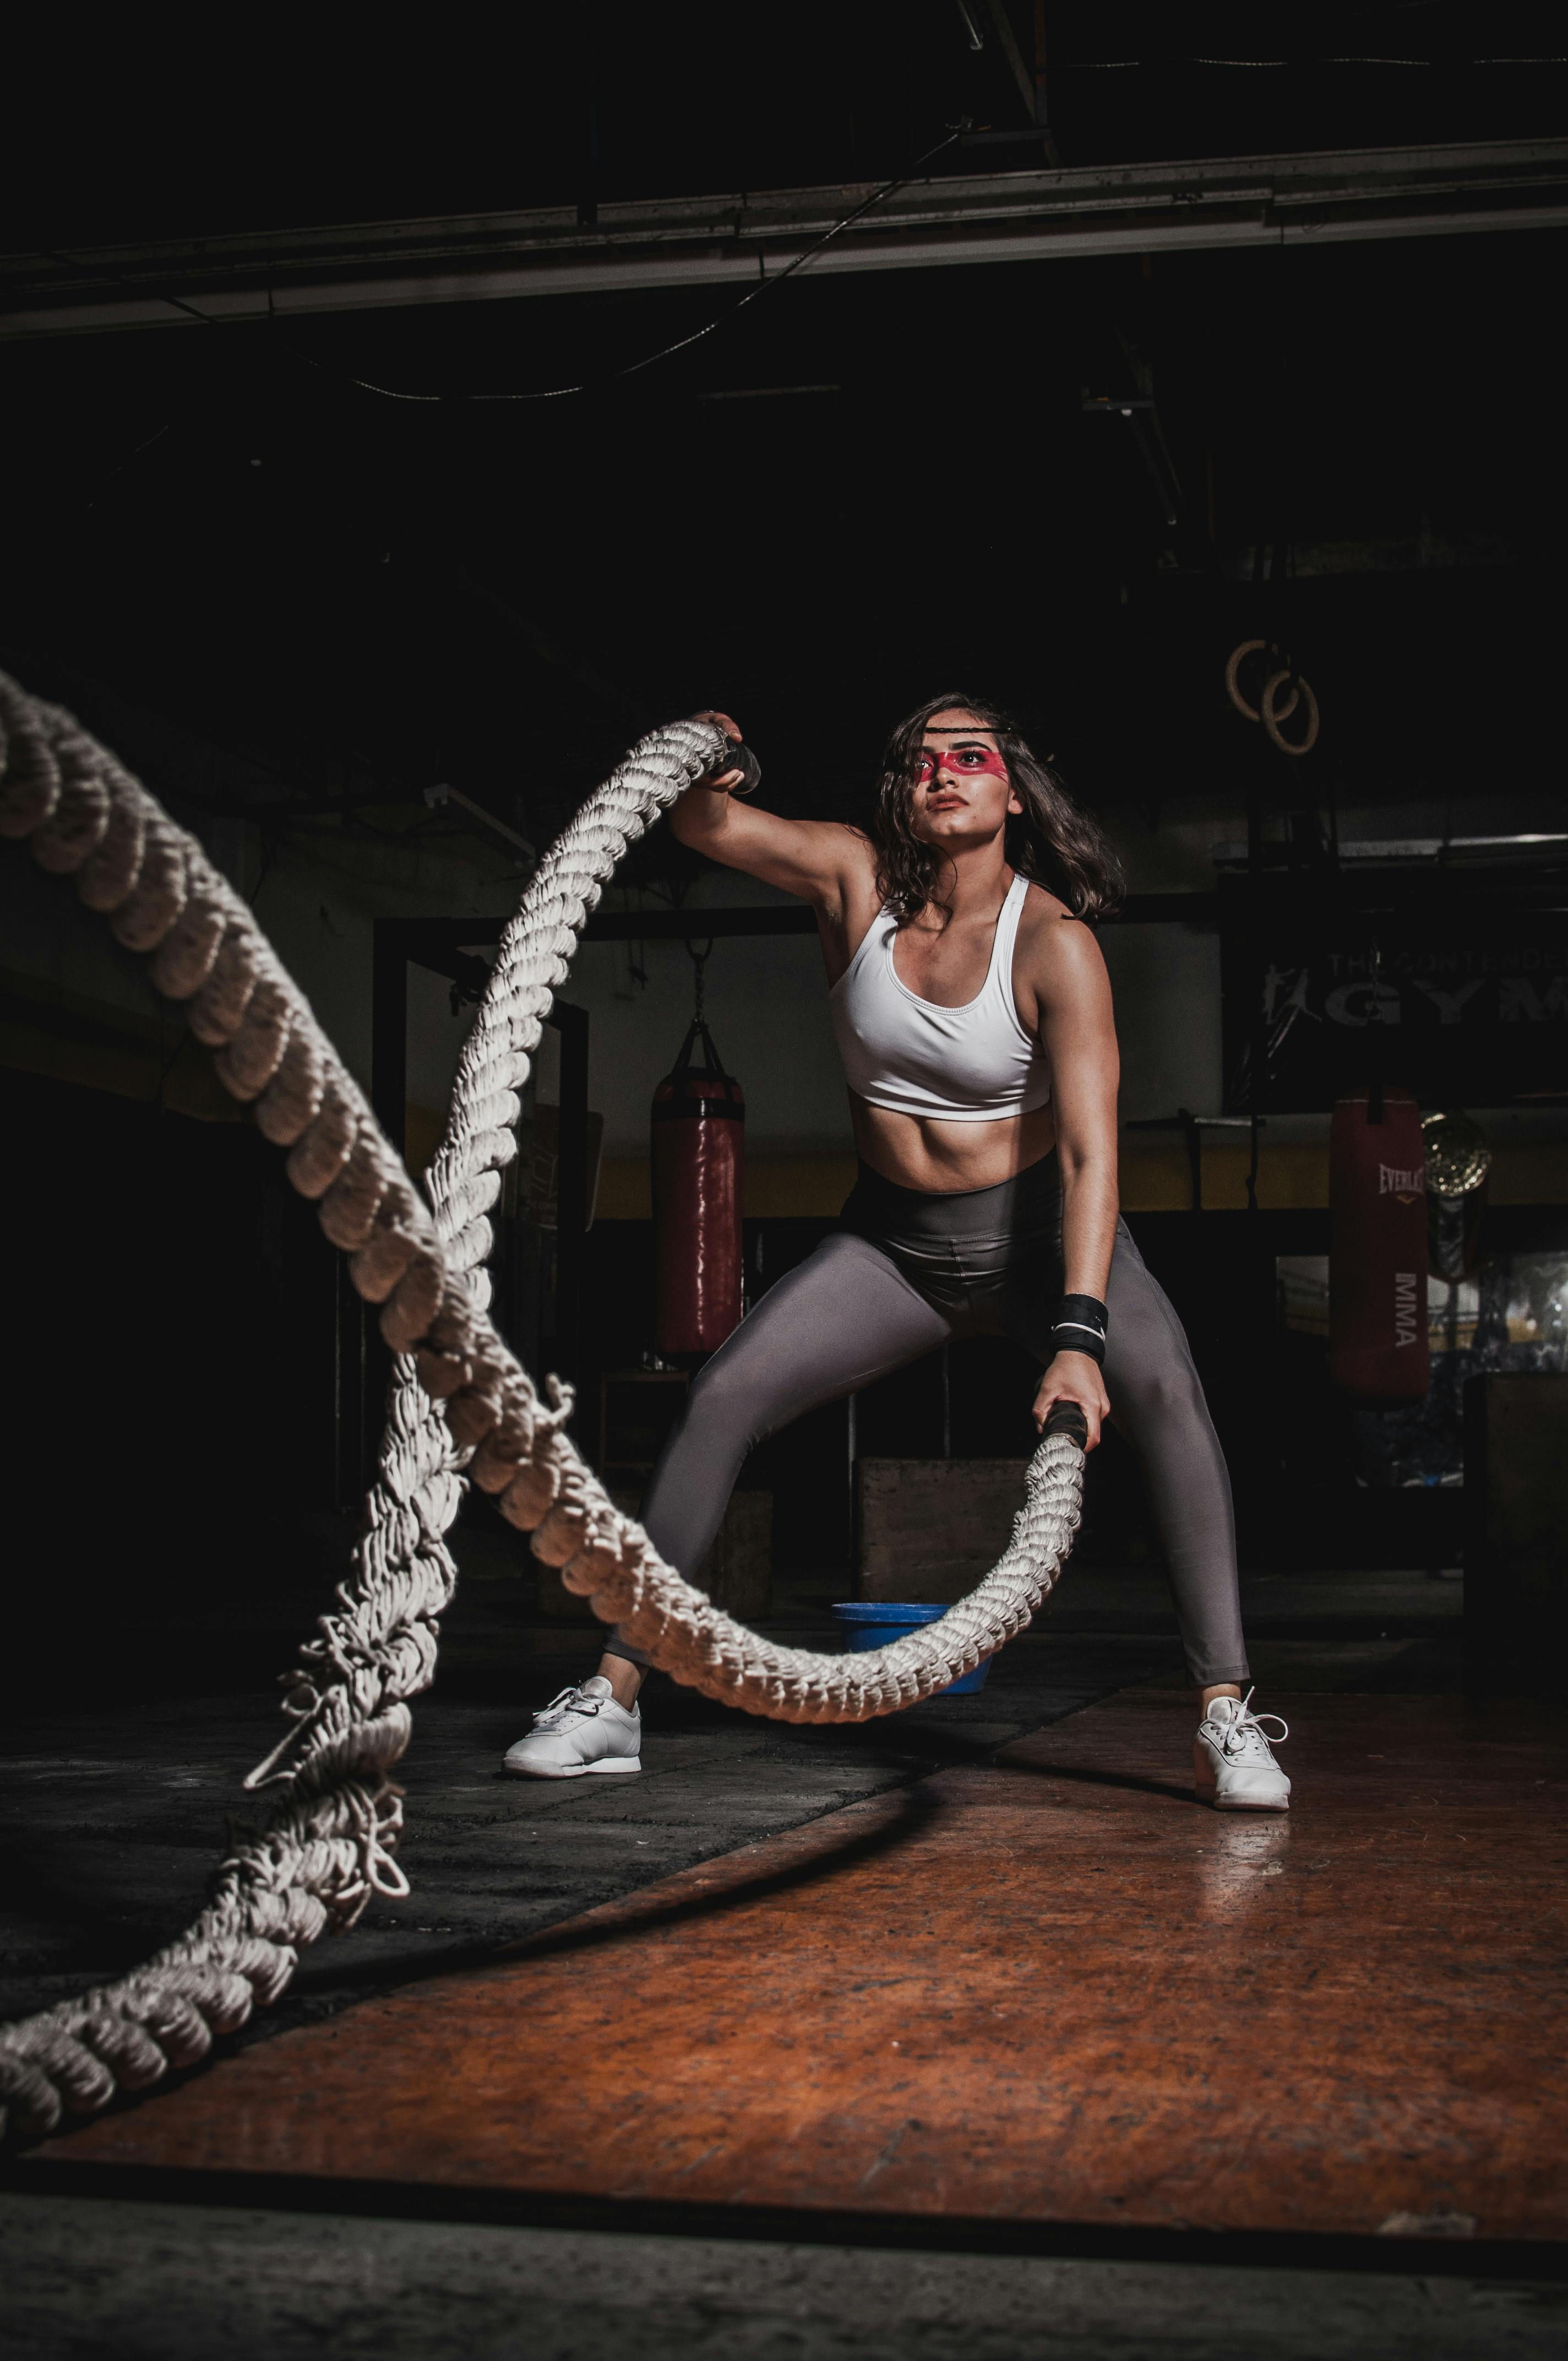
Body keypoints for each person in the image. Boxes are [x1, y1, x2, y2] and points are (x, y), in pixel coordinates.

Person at [504, 694, 1290, 1811]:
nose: (941, 772)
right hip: (893, 1247)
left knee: (1162, 1386)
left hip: (1036, 1237)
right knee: (723, 1390)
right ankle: (613, 1695)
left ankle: (1224, 1713)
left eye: (969, 755)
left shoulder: (1054, 944)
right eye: (919, 759)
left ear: (1011, 789)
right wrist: (717, 751)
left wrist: (1075, 1335)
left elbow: (1086, 1158)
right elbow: (698, 828)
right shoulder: (850, 879)